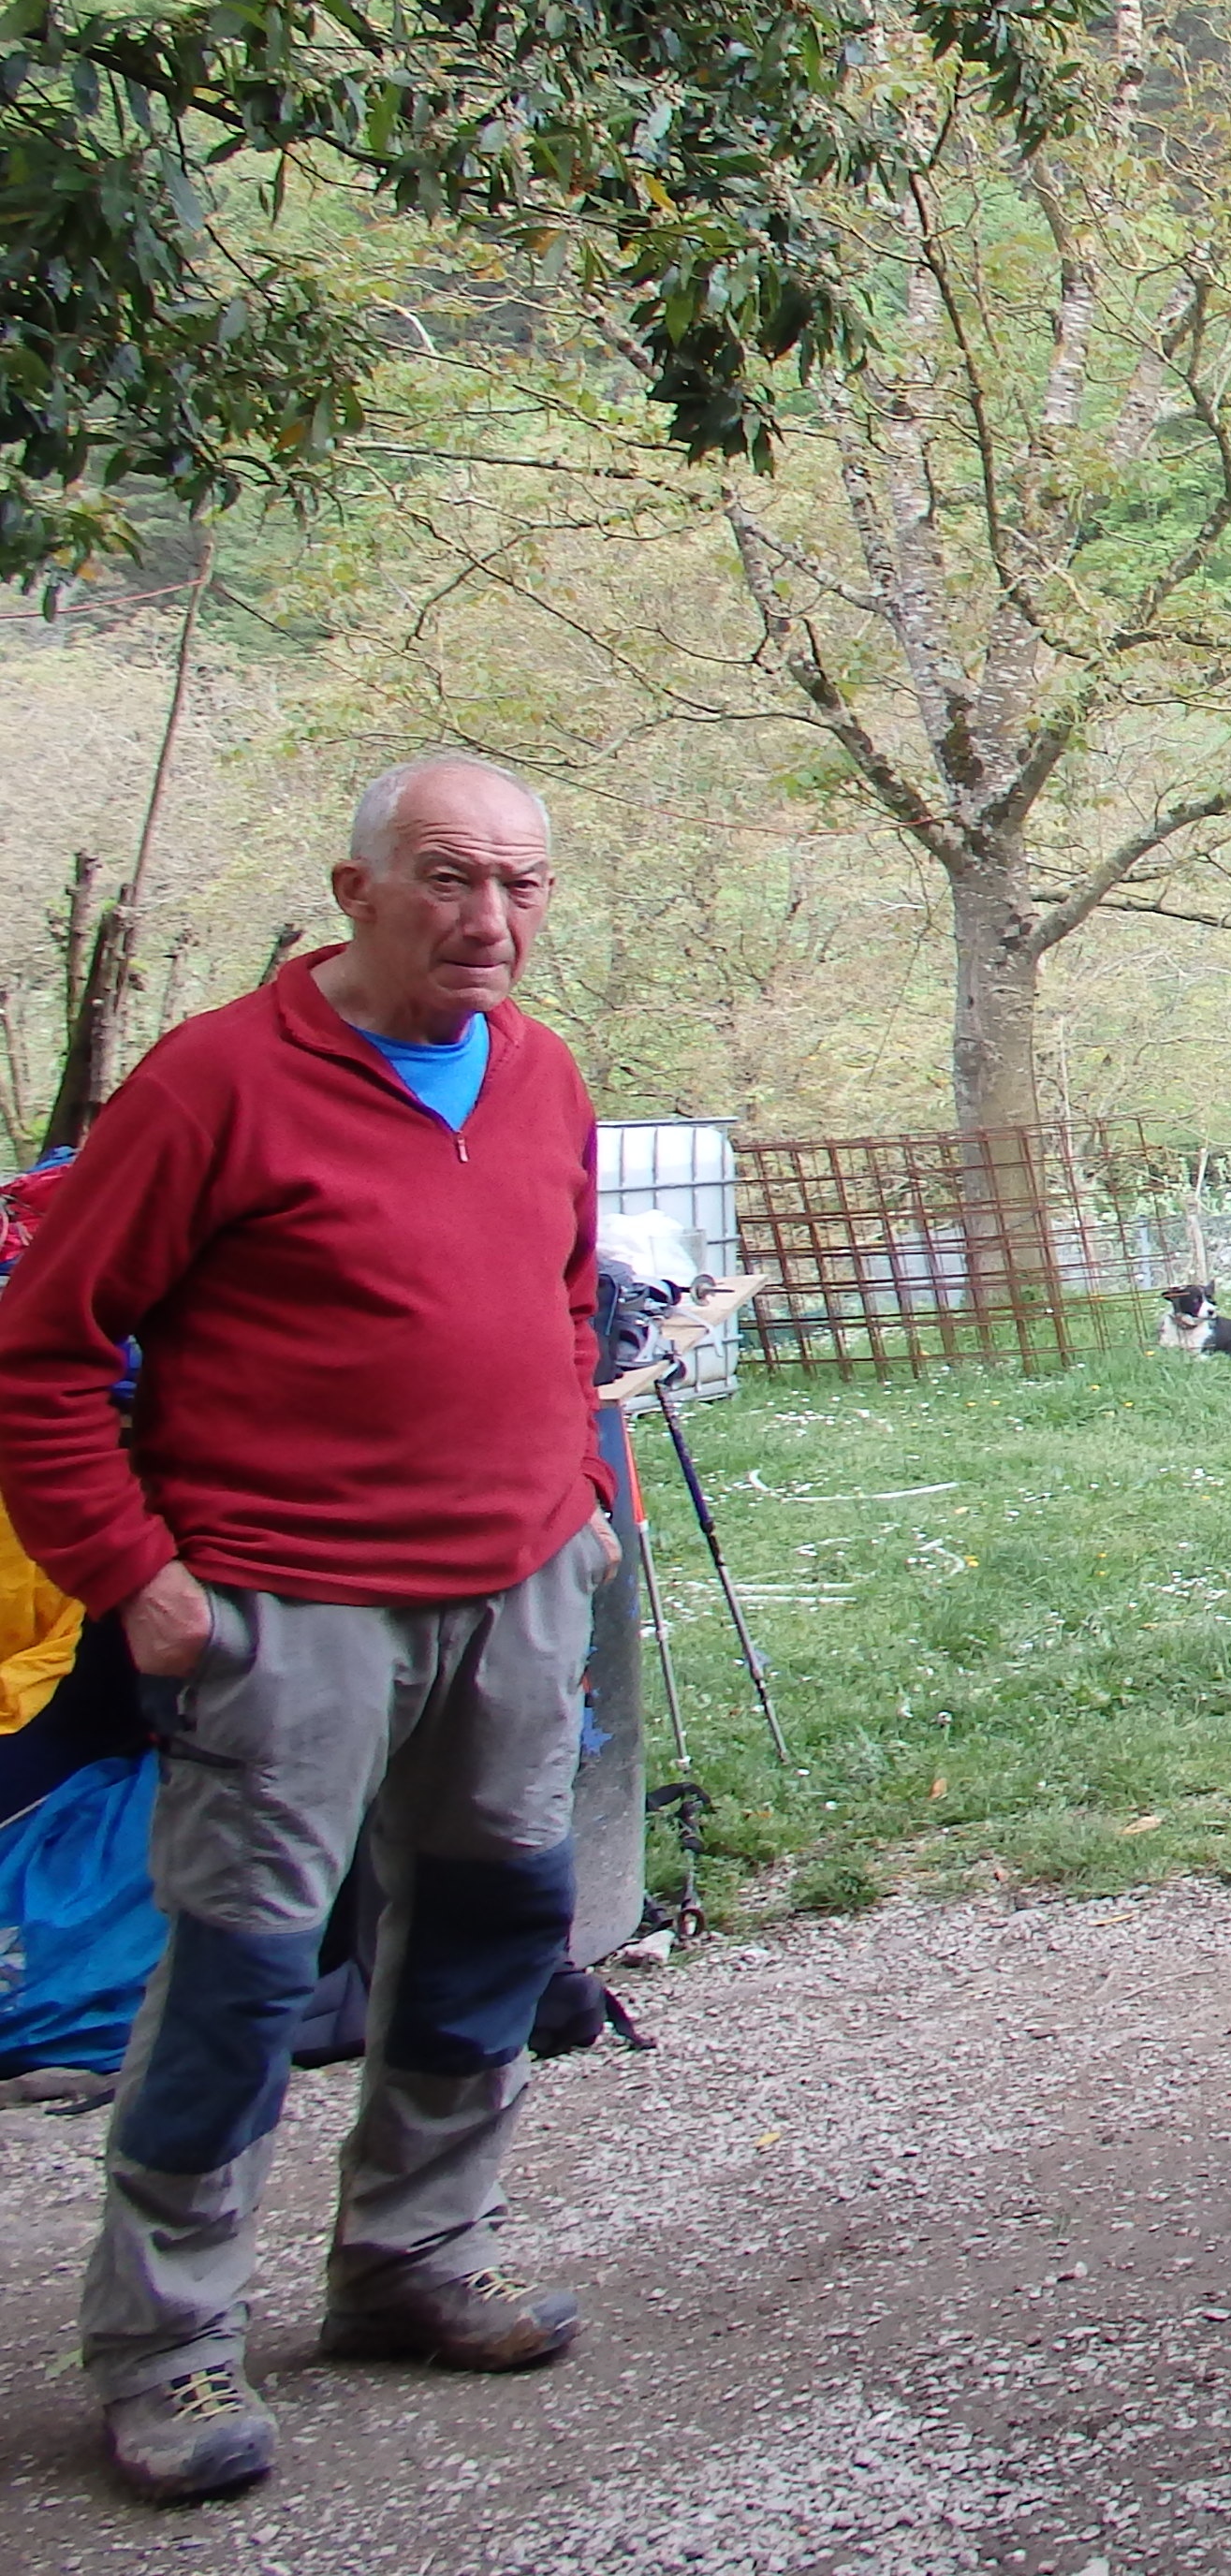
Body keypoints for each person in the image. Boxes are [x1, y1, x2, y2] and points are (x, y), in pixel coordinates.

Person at [0, 755, 620, 2505]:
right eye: (446, 877)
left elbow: (568, 1301)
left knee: (490, 1935)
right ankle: (166, 2346)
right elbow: (44, 1350)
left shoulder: (542, 1074)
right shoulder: (214, 1081)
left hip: (513, 1595)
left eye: (518, 883)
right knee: (245, 1971)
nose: (487, 918)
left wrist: (577, 1486)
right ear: (357, 893)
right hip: (288, 1605)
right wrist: (131, 1573)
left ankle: (415, 2258)